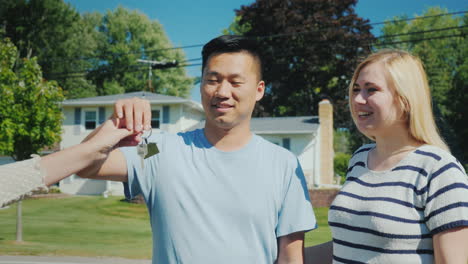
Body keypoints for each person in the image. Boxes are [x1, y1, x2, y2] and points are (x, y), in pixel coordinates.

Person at [78, 35, 316, 263]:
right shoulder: (159, 150)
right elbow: (85, 165)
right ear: (201, 84)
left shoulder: (283, 165)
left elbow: (290, 258)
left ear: (259, 90)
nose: (222, 92)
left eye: (235, 82)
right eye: (212, 80)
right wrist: (114, 121)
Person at [307, 49, 468, 264]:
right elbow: (349, 244)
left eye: (371, 90)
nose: (357, 99)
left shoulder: (439, 169)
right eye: (355, 89)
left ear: (405, 100)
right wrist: (278, 257)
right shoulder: (359, 159)